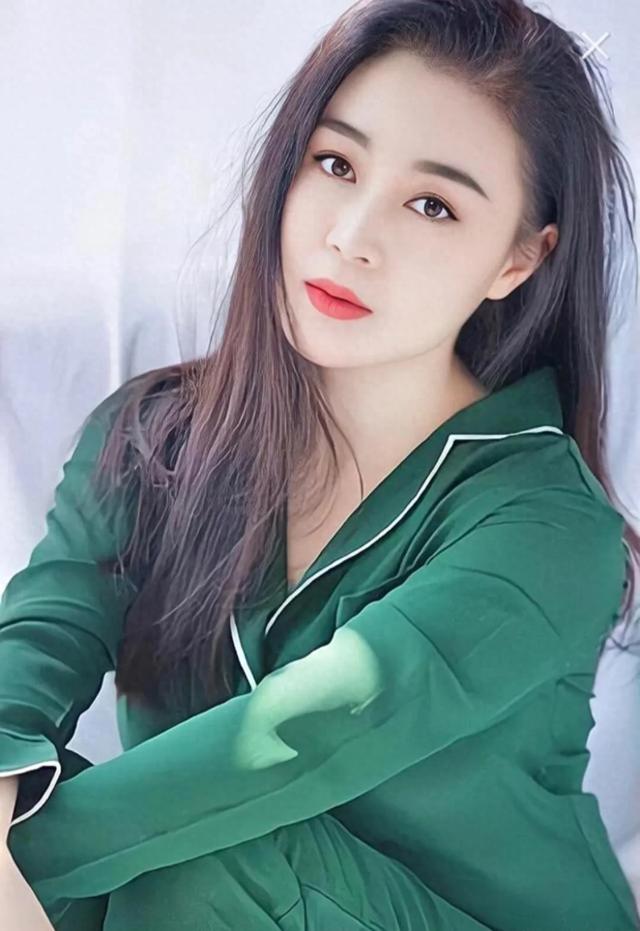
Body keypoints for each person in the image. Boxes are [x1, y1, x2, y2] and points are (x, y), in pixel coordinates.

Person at [1, 0, 639, 928]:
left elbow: (298, 739)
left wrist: (17, 861)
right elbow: (34, 648)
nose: (351, 235)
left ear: (517, 259)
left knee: (194, 861)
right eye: (336, 163)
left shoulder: (547, 526)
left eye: (433, 204)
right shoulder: (153, 438)